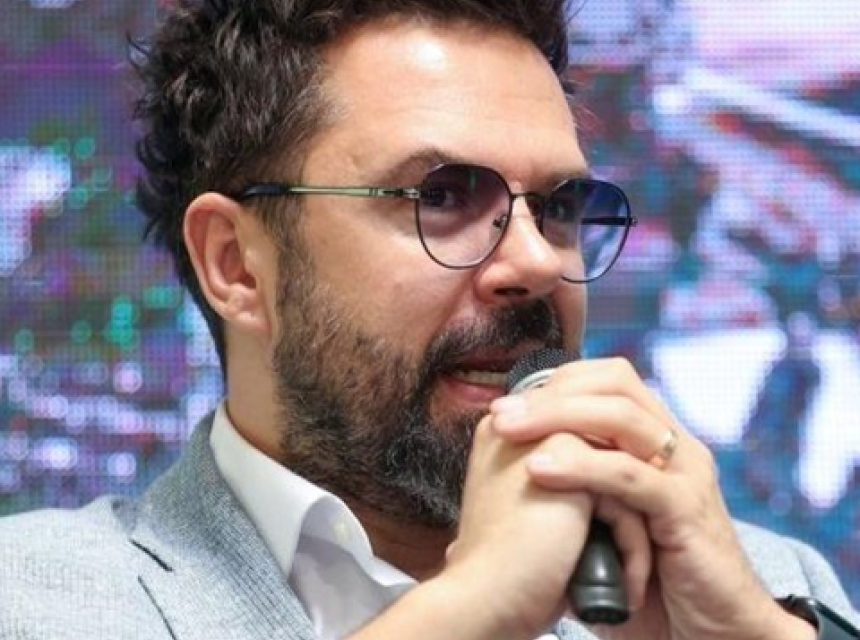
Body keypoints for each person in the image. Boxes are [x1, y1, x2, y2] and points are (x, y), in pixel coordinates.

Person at [1, 1, 857, 639]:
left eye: (560, 206)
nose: (537, 261)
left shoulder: (760, 588)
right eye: (441, 197)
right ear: (238, 265)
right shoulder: (33, 599)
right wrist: (471, 611)